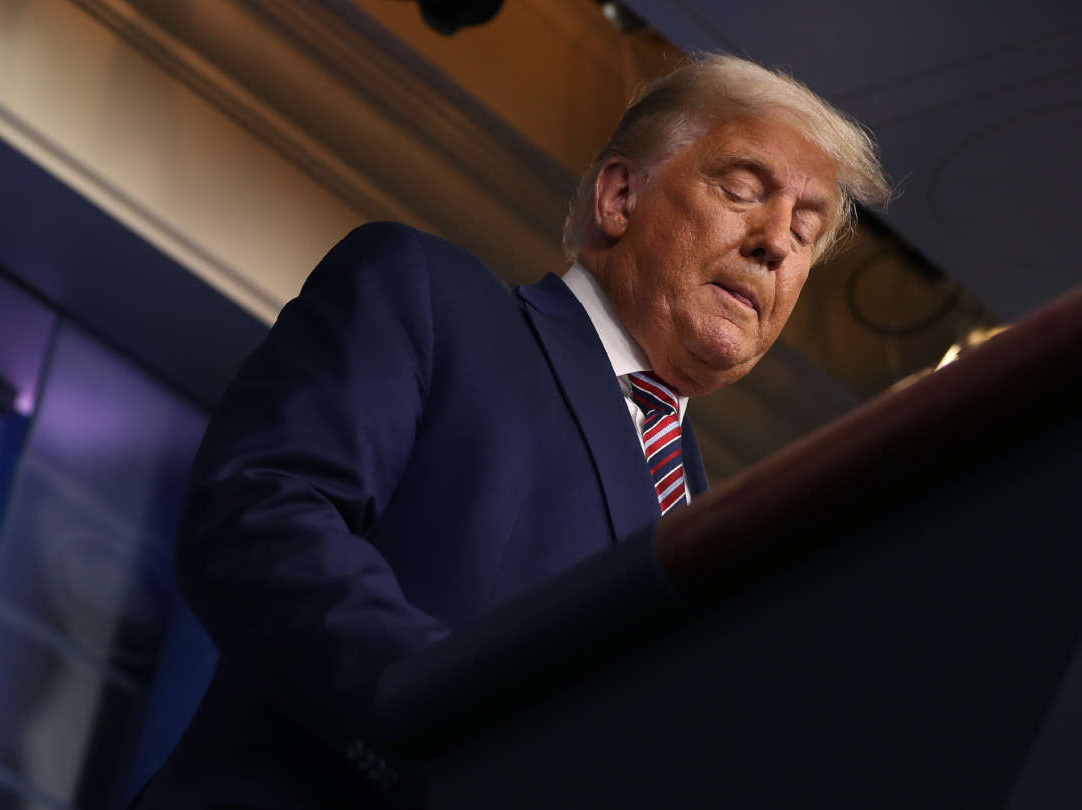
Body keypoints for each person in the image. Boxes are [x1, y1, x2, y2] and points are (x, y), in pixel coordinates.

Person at [133, 52, 890, 809]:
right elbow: (257, 515)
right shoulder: (431, 301)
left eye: (806, 229)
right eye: (742, 189)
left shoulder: (722, 533)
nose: (776, 243)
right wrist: (468, 714)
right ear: (620, 196)